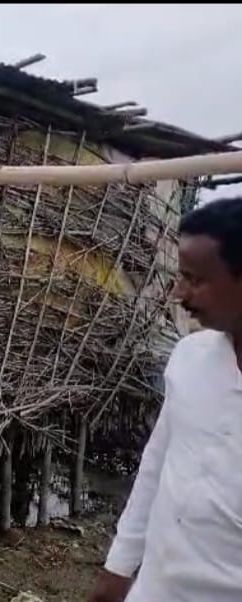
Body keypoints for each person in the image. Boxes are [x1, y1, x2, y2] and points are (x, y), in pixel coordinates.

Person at [90, 198, 242, 602]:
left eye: (196, 279)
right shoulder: (190, 358)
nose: (180, 293)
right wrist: (119, 567)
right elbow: (156, 466)